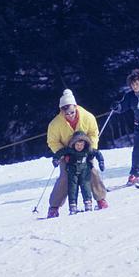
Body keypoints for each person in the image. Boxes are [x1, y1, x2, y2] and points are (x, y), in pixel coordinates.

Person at [46, 89, 109, 218]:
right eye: (66, 113)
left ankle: (101, 199)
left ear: (75, 107)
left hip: (85, 152)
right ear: (61, 111)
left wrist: (91, 149)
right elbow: (52, 142)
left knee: (92, 172)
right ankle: (54, 207)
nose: (70, 115)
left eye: (72, 112)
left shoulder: (88, 117)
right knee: (65, 177)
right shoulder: (55, 124)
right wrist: (63, 155)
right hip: (67, 154)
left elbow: (93, 133)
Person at [53, 131, 105, 214]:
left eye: (81, 145)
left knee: (86, 187)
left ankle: (88, 203)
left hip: (84, 171)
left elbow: (98, 153)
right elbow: (60, 153)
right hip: (72, 171)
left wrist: (101, 162)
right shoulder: (70, 150)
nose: (79, 147)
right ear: (74, 144)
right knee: (72, 188)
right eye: (77, 145)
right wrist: (55, 160)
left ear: (85, 144)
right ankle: (73, 206)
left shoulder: (87, 150)